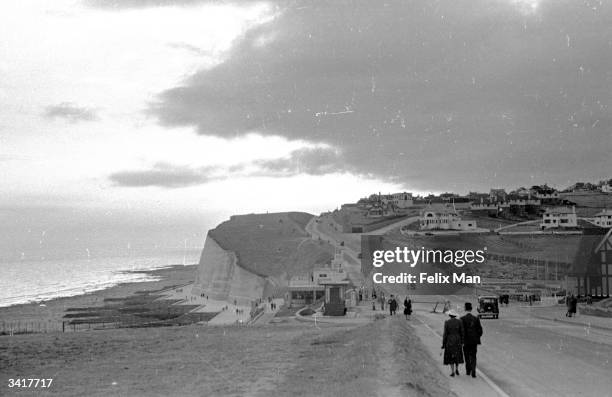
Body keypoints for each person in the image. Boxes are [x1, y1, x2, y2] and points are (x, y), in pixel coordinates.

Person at [460, 302, 483, 378]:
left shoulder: (462, 319)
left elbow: (461, 331)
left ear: (465, 308)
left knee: (466, 356)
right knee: (473, 356)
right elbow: (480, 330)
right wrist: (476, 337)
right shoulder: (476, 319)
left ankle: (468, 370)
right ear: (471, 309)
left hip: (466, 341)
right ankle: (473, 371)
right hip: (474, 341)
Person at [442, 309, 464, 377]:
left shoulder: (447, 322)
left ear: (449, 315)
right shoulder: (459, 322)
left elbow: (445, 334)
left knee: (451, 356)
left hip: (450, 340)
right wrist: (462, 341)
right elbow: (462, 332)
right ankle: (457, 368)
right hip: (457, 340)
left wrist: (443, 343)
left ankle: (452, 371)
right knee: (457, 355)